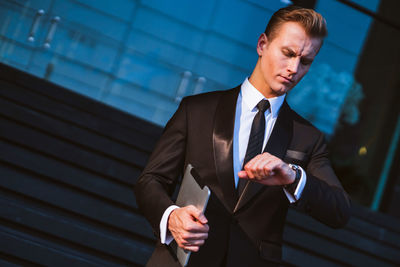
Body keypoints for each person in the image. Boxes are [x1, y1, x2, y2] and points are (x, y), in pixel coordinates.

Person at [135, 6, 351, 267]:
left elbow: (339, 210)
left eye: (305, 61)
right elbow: (151, 180)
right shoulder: (197, 110)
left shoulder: (308, 138)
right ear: (262, 44)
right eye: (288, 53)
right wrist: (171, 217)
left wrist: (292, 175)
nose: (294, 68)